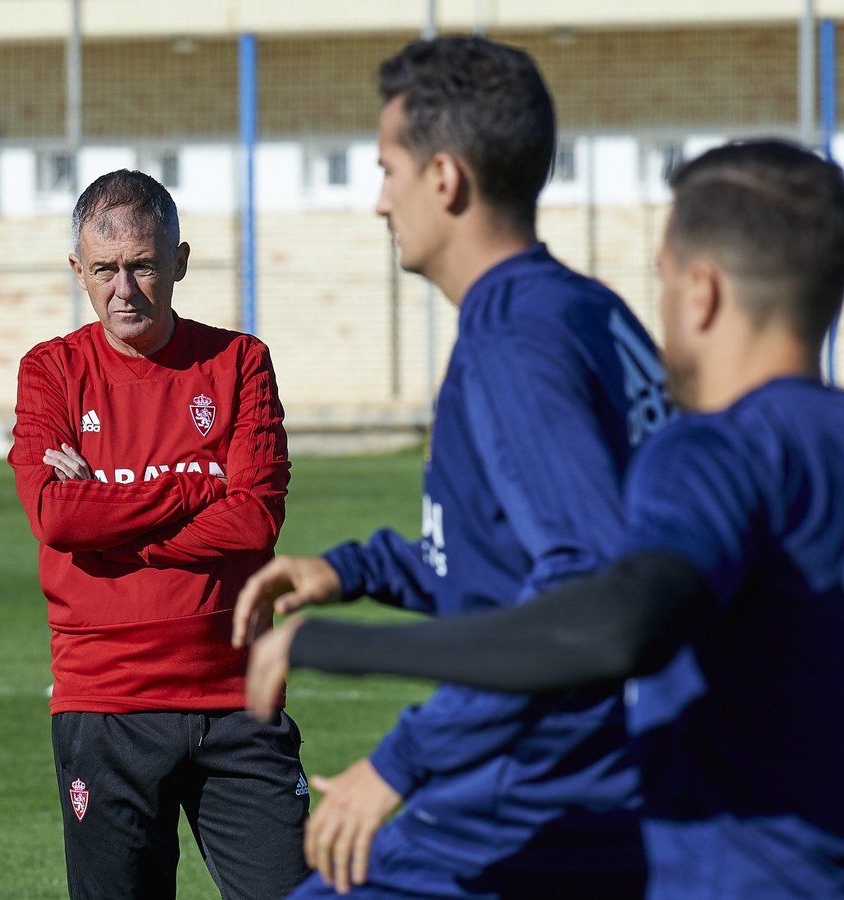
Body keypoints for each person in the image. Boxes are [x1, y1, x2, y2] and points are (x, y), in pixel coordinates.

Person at [247, 140, 844, 898]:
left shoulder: (718, 452)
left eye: (664, 282)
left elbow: (614, 622)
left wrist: (345, 646)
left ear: (700, 291)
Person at [232, 36, 669, 899]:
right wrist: (350, 570)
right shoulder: (585, 308)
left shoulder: (512, 337)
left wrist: (400, 761)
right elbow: (508, 560)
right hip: (609, 788)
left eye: (388, 169)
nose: (378, 202)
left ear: (444, 178)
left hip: (528, 802)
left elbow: (584, 586)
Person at [7, 169, 308, 900]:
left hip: (238, 698)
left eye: (142, 265)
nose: (124, 289)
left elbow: (254, 520)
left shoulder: (238, 364)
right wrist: (199, 486)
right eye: (104, 270)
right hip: (105, 704)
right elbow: (56, 516)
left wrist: (109, 526)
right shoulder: (51, 371)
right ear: (78, 269)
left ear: (178, 260)